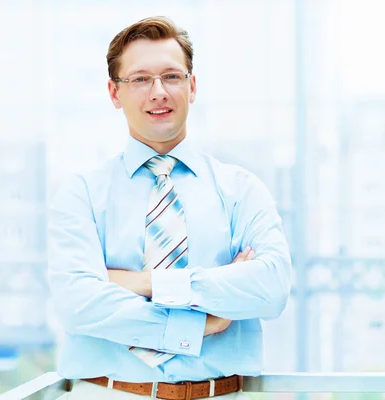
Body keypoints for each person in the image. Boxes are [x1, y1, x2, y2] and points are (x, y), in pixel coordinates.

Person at [48, 15, 292, 400]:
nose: (158, 91)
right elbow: (78, 305)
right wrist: (198, 324)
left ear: (192, 87)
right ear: (115, 93)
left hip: (220, 394)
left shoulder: (241, 190)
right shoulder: (81, 194)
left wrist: (146, 283)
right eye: (140, 79)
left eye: (172, 77)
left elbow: (271, 289)